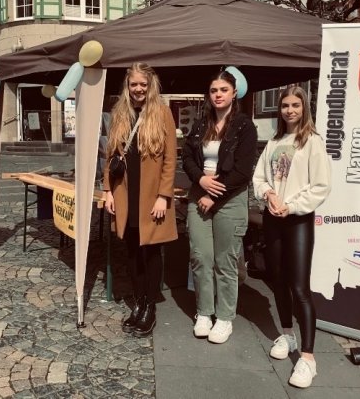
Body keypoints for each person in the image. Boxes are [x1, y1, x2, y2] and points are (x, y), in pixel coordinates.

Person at [251, 86, 331, 388]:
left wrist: (292, 206)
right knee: (278, 281)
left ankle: (308, 359)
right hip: (273, 221)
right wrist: (268, 193)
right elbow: (259, 177)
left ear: (304, 108)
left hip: (297, 222)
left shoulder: (312, 142)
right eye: (285, 105)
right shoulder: (274, 142)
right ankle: (287, 333)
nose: (289, 110)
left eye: (295, 105)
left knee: (300, 288)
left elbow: (321, 186)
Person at [181, 70, 257, 344]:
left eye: (223, 89)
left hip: (229, 199)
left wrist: (214, 195)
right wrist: (200, 180)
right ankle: (204, 312)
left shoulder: (244, 126)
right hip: (199, 194)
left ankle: (225, 318)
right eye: (214, 90)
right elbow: (187, 156)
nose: (218, 95)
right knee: (201, 257)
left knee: (225, 262)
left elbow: (243, 171)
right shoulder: (202, 125)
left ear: (234, 92)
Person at [103, 63, 178, 338]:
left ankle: (150, 307)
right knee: (133, 251)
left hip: (151, 196)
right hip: (125, 193)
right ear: (128, 85)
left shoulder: (161, 112)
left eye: (143, 85)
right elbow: (110, 156)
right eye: (134, 84)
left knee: (151, 251)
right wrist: (107, 190)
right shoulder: (119, 113)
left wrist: (163, 196)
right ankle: (139, 303)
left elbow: (170, 159)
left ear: (151, 85)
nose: (138, 89)